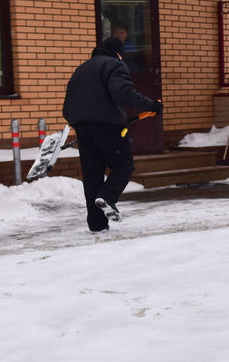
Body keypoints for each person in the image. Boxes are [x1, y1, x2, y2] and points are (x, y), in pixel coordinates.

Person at [63, 36, 162, 232]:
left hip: (81, 126)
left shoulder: (81, 69)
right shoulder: (114, 65)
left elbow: (69, 104)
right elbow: (122, 92)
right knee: (123, 165)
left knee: (93, 174)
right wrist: (152, 105)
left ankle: (97, 225)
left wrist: (81, 121)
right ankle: (108, 197)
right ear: (118, 53)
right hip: (107, 126)